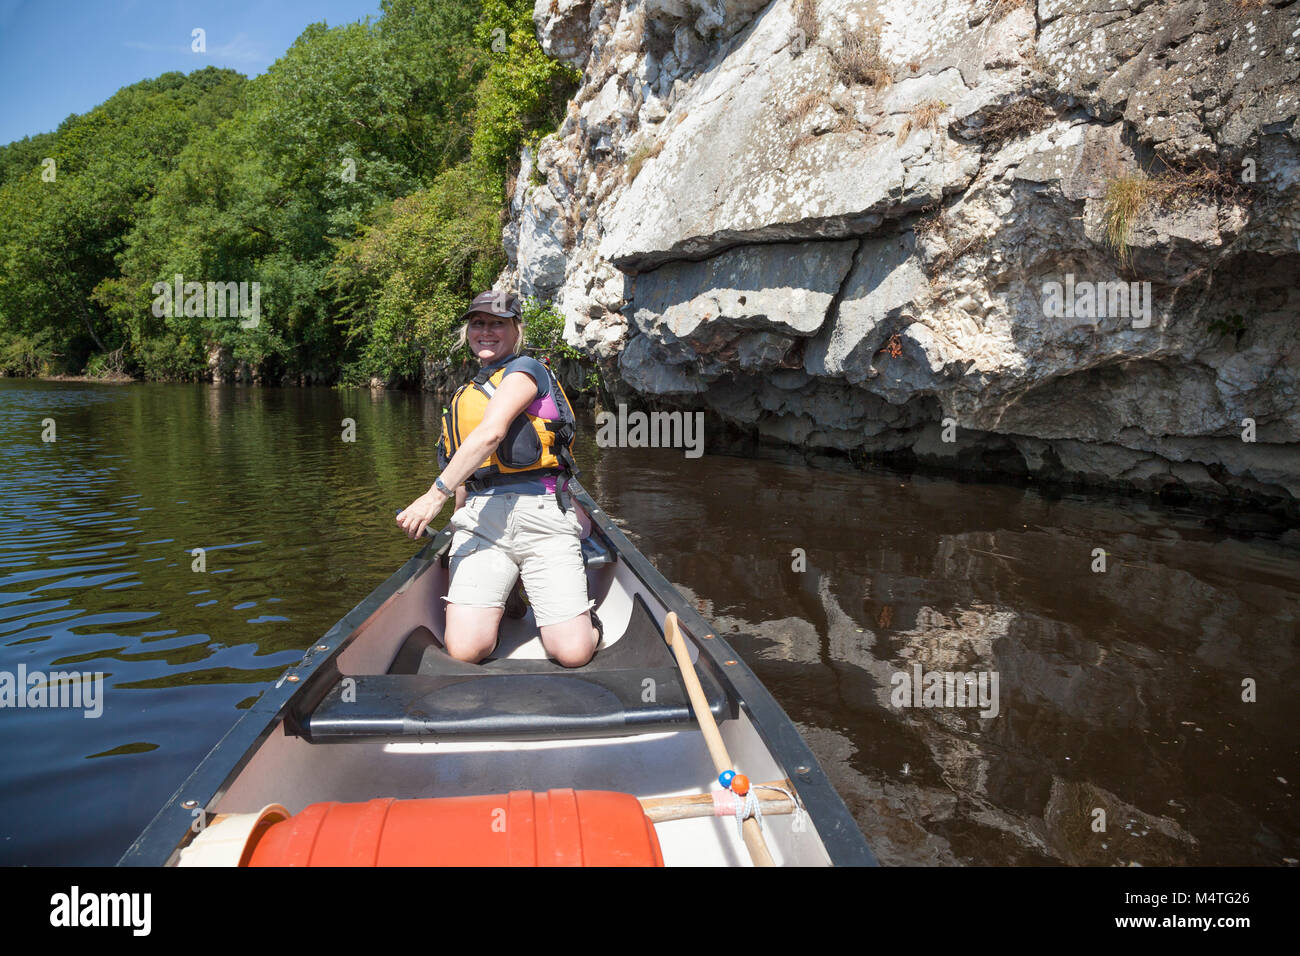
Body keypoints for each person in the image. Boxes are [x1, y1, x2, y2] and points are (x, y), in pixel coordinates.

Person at [396, 291, 600, 668]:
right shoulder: (462, 396)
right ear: (467, 330)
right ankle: (506, 595)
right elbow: (466, 474)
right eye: (478, 323)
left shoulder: (527, 370)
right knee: (466, 650)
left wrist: (432, 496)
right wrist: (455, 524)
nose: (486, 331)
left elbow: (491, 433)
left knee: (573, 653)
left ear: (515, 330)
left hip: (543, 518)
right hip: (483, 522)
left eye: (497, 323)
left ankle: (588, 622)